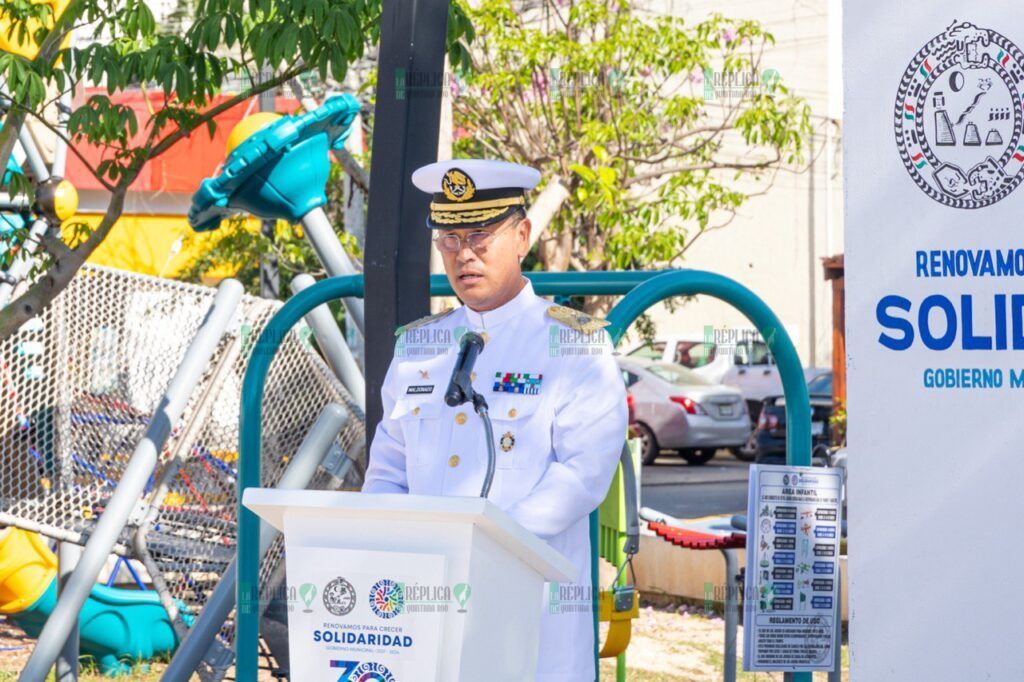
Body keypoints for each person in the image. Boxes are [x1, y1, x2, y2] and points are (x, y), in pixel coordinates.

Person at [362, 159, 628, 681]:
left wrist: (489, 549)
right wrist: (400, 549)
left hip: (529, 610)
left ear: (522, 234)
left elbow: (582, 474)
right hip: (426, 604)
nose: (464, 254)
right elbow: (388, 470)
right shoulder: (421, 345)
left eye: (480, 234)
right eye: (449, 238)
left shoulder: (573, 344)